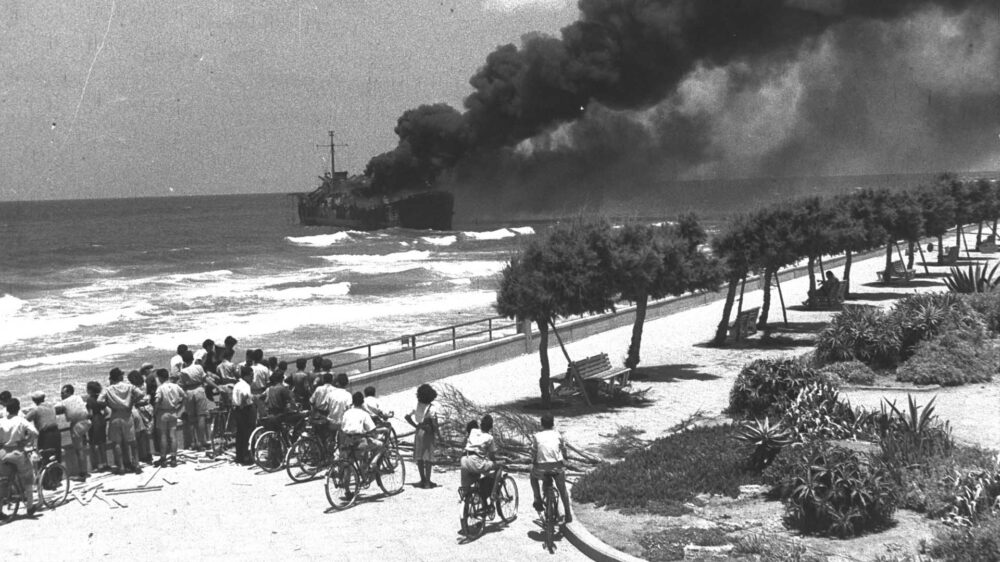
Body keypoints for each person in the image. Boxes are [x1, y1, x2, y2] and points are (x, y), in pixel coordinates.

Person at [99, 367, 146, 474]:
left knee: (117, 443)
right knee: (133, 442)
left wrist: (110, 404)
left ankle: (121, 467)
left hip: (115, 415)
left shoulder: (108, 389)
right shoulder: (129, 386)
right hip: (127, 415)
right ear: (120, 377)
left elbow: (99, 401)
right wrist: (132, 402)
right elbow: (141, 394)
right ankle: (137, 464)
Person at [529, 414, 572, 523]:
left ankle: (537, 498)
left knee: (533, 476)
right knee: (562, 489)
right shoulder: (557, 435)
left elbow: (533, 452)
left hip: (542, 468)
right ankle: (568, 513)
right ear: (553, 424)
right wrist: (565, 459)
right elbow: (563, 449)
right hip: (557, 467)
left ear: (541, 424)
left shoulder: (537, 436)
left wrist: (532, 462)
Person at [0, 398, 39, 517]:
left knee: (3, 482)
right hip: (17, 451)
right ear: (18, 409)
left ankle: (1, 511)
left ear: (7, 409)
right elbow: (35, 433)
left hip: (3, 452)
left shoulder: (1, 421)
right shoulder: (21, 420)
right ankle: (30, 506)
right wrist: (26, 441)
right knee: (28, 477)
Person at [460, 414, 498, 511]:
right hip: (476, 462)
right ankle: (493, 493)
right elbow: (492, 456)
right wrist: (495, 462)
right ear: (491, 427)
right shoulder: (490, 437)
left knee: (467, 487)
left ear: (480, 424)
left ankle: (466, 509)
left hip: (464, 459)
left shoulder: (473, 431)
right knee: (499, 467)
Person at [340, 392, 384, 473]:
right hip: (359, 441)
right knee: (380, 445)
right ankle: (372, 464)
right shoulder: (364, 414)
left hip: (347, 440)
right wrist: (383, 430)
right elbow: (372, 430)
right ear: (362, 402)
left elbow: (342, 428)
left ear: (353, 401)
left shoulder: (346, 413)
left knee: (350, 461)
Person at [405, 383, 439, 488]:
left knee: (419, 457)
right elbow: (434, 423)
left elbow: (407, 416)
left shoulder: (416, 405)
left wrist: (415, 425)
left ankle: (422, 480)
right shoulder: (431, 408)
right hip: (428, 433)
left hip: (419, 431)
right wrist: (438, 434)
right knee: (428, 458)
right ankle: (428, 482)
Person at [56, 384, 91, 480]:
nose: (61, 395)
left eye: (63, 393)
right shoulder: (78, 397)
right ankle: (86, 471)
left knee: (79, 450)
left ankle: (82, 474)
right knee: (83, 448)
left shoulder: (64, 402)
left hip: (77, 425)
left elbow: (55, 409)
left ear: (69, 393)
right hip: (87, 423)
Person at [178, 350, 211, 451]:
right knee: (201, 417)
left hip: (189, 392)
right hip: (199, 390)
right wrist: (216, 386)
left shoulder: (183, 371)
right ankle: (203, 441)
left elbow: (181, 385)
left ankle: (194, 442)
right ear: (193, 358)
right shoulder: (199, 367)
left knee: (191, 419)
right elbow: (206, 380)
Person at [153, 369, 185, 468]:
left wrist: (154, 412)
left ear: (160, 378)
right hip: (173, 411)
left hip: (163, 413)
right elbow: (185, 396)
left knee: (163, 436)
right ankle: (173, 458)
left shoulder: (160, 388)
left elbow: (157, 401)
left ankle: (163, 458)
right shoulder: (176, 386)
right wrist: (179, 407)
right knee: (173, 436)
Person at [24, 390, 61, 463]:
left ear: (34, 400)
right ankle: (58, 473)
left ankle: (48, 474)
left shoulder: (36, 409)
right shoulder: (51, 406)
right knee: (57, 455)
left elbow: (25, 420)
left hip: (46, 435)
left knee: (44, 455)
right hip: (56, 432)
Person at [127, 370, 154, 464]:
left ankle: (144, 454)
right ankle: (148, 453)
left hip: (140, 409)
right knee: (147, 433)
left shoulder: (133, 388)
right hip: (149, 408)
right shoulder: (145, 384)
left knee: (141, 434)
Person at [231, 366, 255, 465]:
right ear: (247, 376)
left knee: (240, 434)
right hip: (245, 410)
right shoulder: (245, 385)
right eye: (251, 375)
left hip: (237, 410)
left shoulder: (237, 384)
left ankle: (239, 456)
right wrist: (242, 405)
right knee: (247, 433)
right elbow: (245, 396)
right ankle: (246, 457)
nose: (252, 378)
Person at [86, 381, 111, 473]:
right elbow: (107, 412)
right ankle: (105, 463)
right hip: (101, 420)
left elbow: (90, 413)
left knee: (94, 443)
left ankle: (99, 465)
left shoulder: (89, 400)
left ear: (90, 390)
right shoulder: (100, 398)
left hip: (94, 421)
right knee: (102, 442)